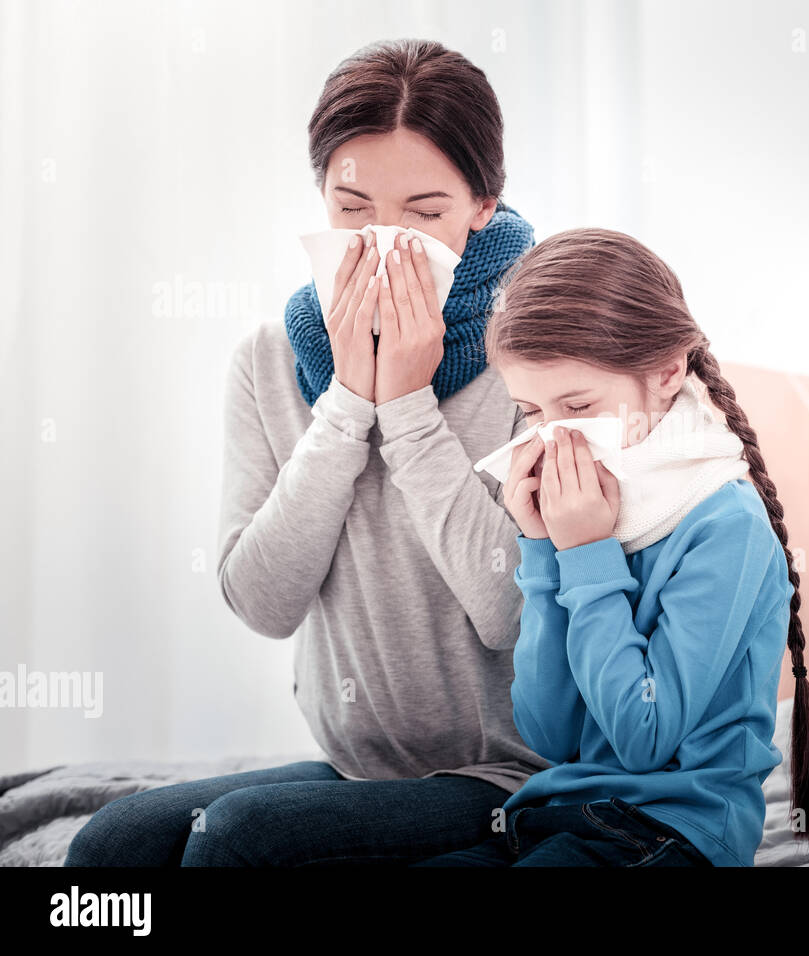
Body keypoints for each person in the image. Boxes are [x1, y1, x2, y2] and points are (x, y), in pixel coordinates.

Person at [64, 38, 544, 867]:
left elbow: (510, 615)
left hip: (510, 776)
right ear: (321, 197)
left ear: (484, 206)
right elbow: (261, 602)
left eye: (426, 213)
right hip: (361, 766)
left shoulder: (543, 355)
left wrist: (407, 404)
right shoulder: (269, 360)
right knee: (114, 844)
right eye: (354, 209)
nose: (385, 242)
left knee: (241, 842)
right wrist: (348, 405)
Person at [413, 228, 809, 867]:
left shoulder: (724, 524)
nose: (555, 437)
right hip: (562, 814)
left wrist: (584, 554)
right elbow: (550, 734)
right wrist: (542, 550)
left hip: (671, 830)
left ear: (666, 372)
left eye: (577, 404)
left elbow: (643, 738)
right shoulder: (594, 510)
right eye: (530, 411)